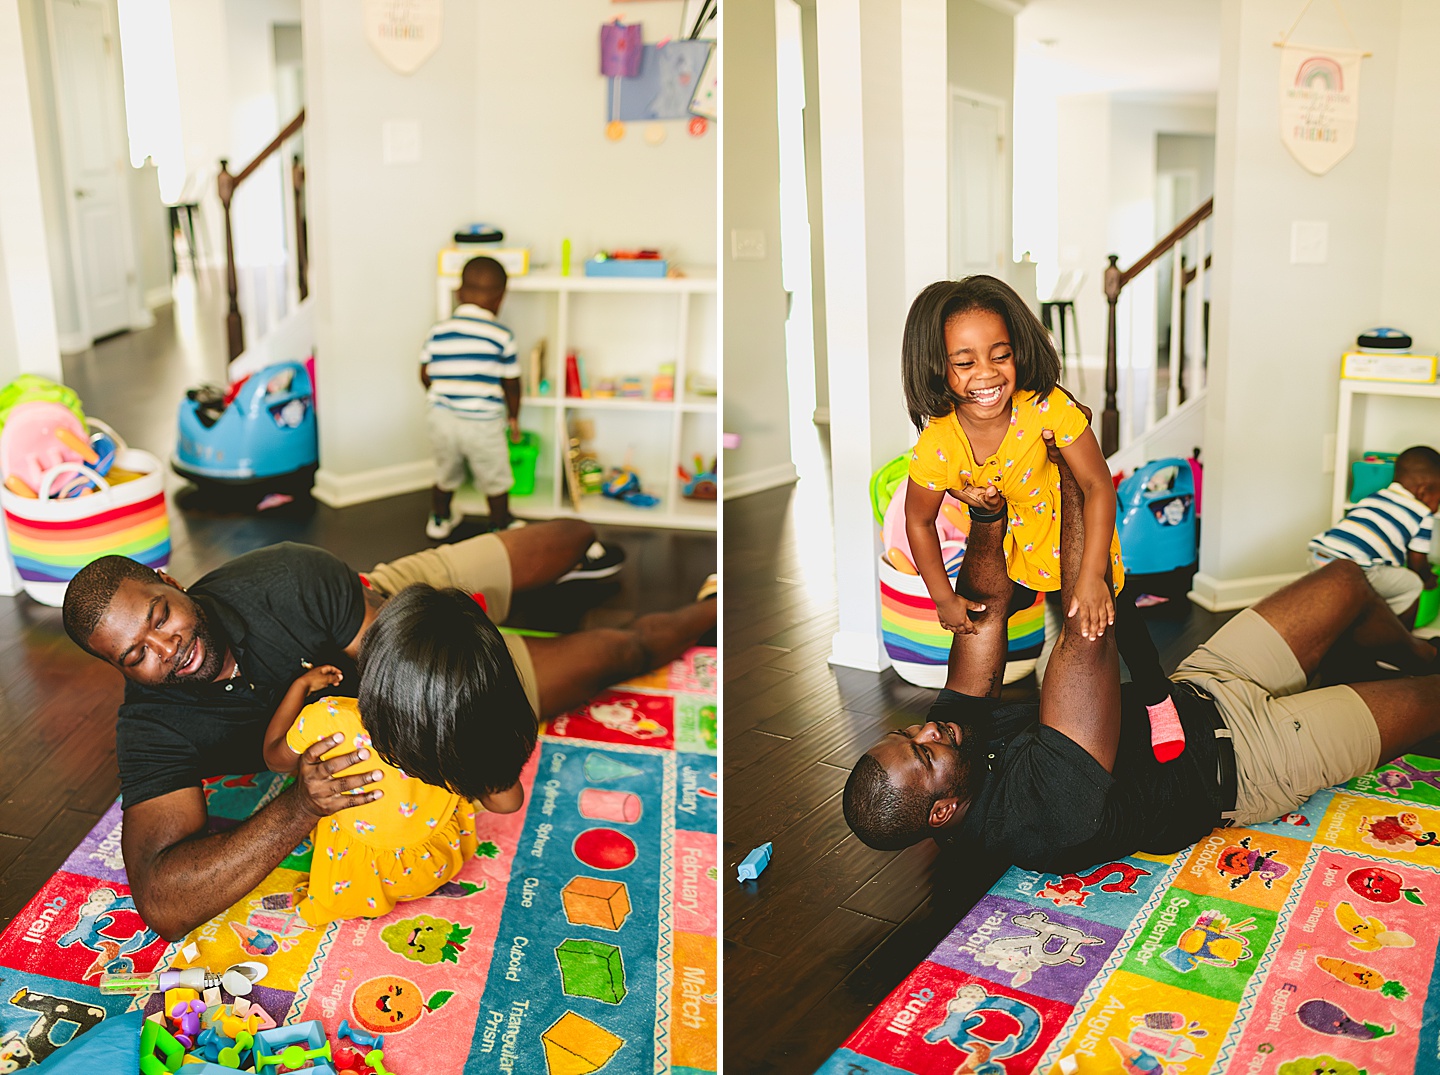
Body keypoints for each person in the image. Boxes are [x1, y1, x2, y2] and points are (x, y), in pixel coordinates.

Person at [61, 519, 715, 939]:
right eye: (135, 654)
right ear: (117, 669)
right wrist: (302, 803)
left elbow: (409, 663)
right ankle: (712, 605)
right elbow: (163, 901)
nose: (165, 647)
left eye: (159, 614)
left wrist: (464, 653)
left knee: (572, 536)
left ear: (172, 583)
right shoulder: (150, 727)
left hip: (399, 628)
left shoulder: (284, 577)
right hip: (371, 667)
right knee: (618, 655)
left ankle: (556, 563)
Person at [844, 432, 1440, 873]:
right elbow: (1086, 631)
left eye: (908, 736)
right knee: (1430, 701)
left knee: (1345, 579)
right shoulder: (1033, 820)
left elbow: (980, 620)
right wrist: (1072, 471)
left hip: (1198, 689)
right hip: (1254, 759)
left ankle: (1414, 649)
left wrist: (988, 516)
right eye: (923, 758)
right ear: (944, 813)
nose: (929, 733)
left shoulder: (954, 741)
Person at [900, 275, 1183, 761]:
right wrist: (943, 599)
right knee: (986, 619)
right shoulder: (937, 444)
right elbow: (918, 522)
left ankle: (1158, 699)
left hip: (1079, 537)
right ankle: (972, 727)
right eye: (964, 362)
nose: (986, 374)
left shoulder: (1049, 406)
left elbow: (1098, 486)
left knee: (1117, 621)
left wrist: (1093, 574)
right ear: (935, 368)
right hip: (1020, 545)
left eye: (1000, 355)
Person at [262, 587, 535, 925]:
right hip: (435, 864)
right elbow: (508, 802)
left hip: (358, 882)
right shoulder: (457, 733)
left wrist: (299, 687)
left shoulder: (329, 716)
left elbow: (275, 758)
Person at [421, 255, 522, 538]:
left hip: (441, 418)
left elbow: (424, 373)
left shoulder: (437, 331)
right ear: (500, 298)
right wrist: (514, 418)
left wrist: (442, 392)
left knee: (445, 472)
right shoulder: (501, 335)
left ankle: (439, 519)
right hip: (483, 422)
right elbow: (512, 384)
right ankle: (500, 524)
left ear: (459, 293)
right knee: (495, 476)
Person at [1308, 444, 1440, 624]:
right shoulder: (1422, 514)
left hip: (1320, 557)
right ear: (1424, 491)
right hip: (1356, 568)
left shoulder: (1375, 496)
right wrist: (1428, 578)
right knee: (1411, 584)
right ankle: (1397, 636)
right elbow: (1417, 563)